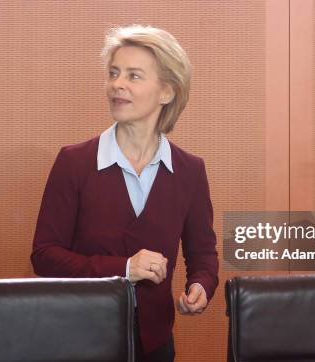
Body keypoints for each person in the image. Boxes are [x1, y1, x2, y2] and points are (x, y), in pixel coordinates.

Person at [31, 24, 218, 362]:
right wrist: (124, 268)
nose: (117, 84)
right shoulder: (74, 161)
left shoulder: (190, 170)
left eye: (133, 76)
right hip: (79, 343)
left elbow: (203, 254)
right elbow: (44, 256)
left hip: (155, 346)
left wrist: (201, 286)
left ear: (167, 92)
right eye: (114, 73)